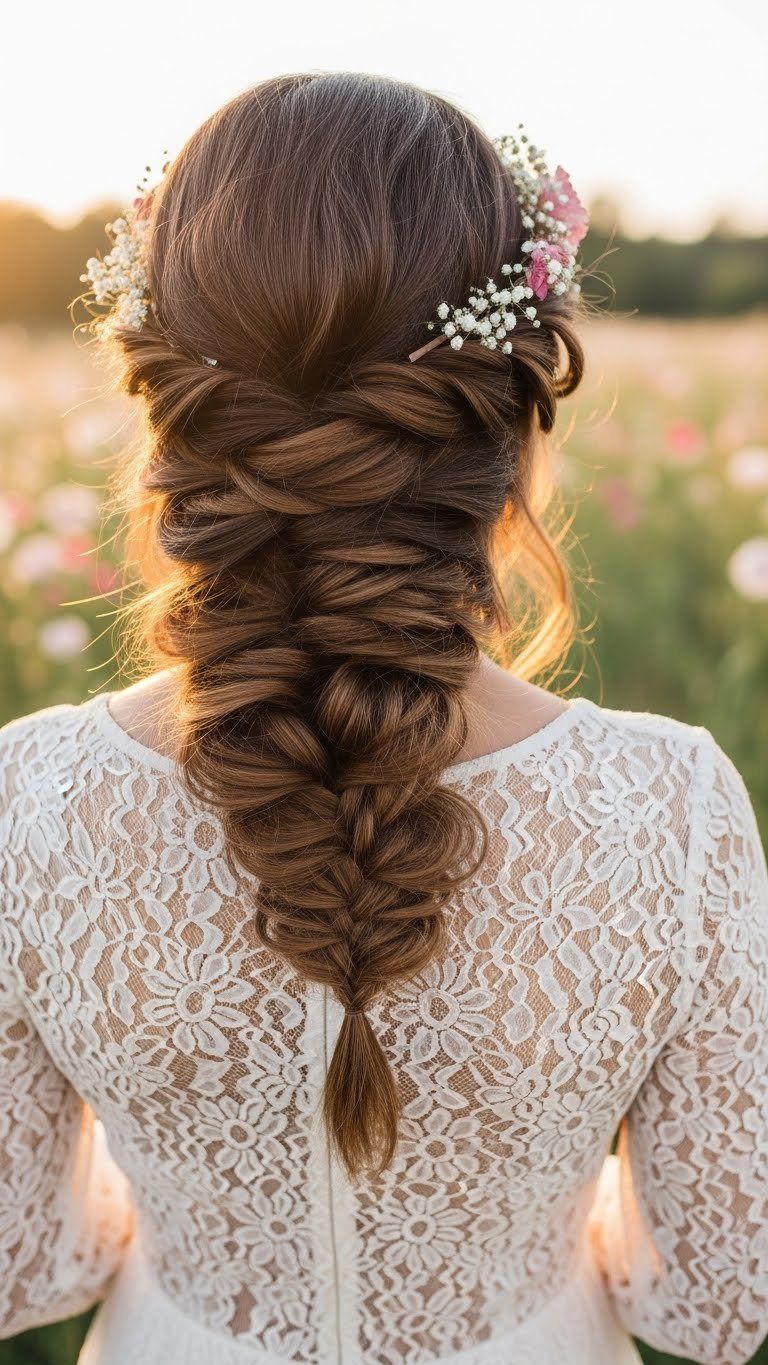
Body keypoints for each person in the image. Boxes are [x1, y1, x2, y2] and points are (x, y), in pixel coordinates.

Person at [0, 71, 766, 1365]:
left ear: (172, 417)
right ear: (514, 424)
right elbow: (713, 1290)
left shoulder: (30, 795)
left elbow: (29, 1254)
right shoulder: (670, 808)